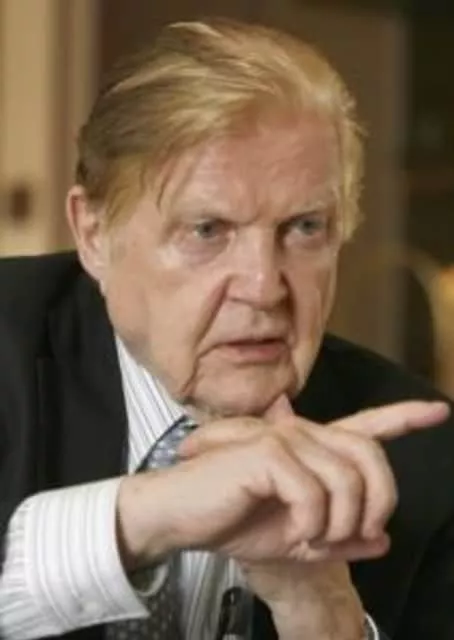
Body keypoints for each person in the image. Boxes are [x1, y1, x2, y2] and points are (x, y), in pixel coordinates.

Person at [1, 17, 454, 640]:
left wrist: (321, 609)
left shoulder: (425, 458)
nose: (265, 287)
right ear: (94, 234)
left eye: (304, 228)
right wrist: (146, 518)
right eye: (207, 230)